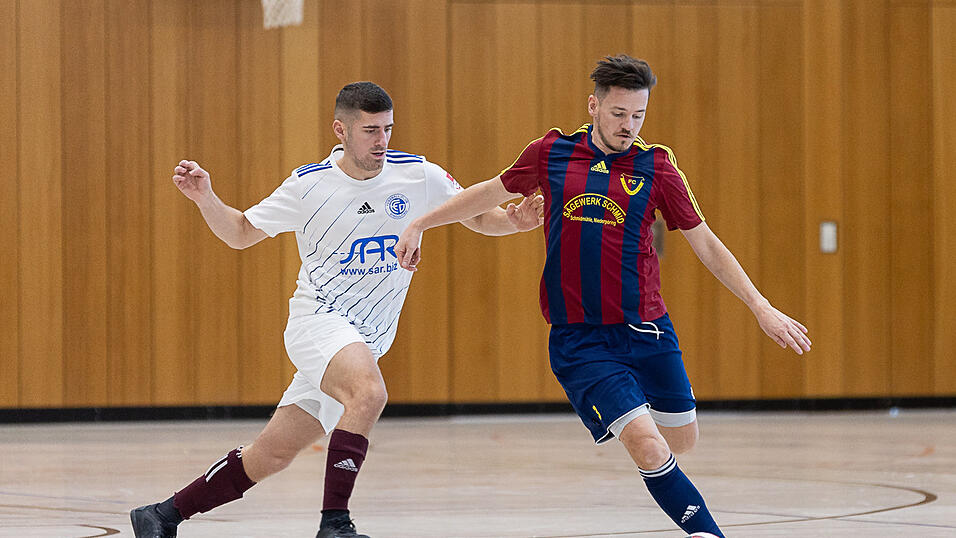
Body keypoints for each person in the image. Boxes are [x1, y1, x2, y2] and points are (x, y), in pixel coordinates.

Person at [394, 55, 812, 537]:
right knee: (648, 446)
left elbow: (707, 244)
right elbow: (489, 193)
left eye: (638, 115)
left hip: (649, 330)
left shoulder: (657, 166)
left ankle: (660, 455)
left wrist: (760, 305)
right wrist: (420, 222)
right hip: (581, 340)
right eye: (618, 114)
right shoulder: (551, 152)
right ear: (593, 106)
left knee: (682, 439)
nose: (628, 125)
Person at [130, 81, 543, 538]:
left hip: (365, 340)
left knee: (271, 455)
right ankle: (335, 525)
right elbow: (241, 232)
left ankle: (162, 515)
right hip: (319, 321)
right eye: (370, 130)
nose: (382, 140)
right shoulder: (308, 187)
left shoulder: (418, 174)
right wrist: (205, 197)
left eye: (387, 128)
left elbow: (481, 218)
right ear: (340, 130)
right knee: (368, 394)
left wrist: (515, 223)